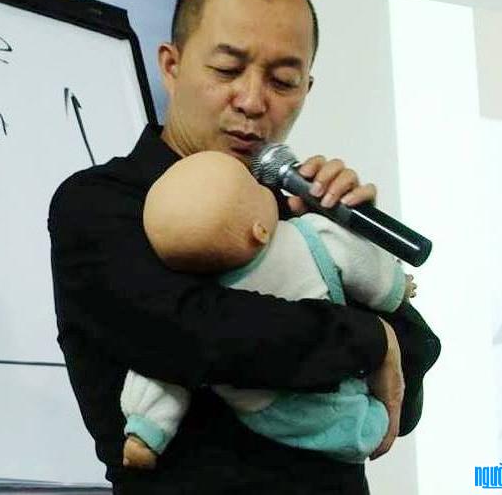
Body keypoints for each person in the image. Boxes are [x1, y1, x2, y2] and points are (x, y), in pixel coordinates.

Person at [48, 0, 440, 495]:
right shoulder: (99, 203)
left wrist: (345, 245)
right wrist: (370, 337)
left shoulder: (297, 215)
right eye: (228, 70)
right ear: (172, 65)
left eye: (284, 80)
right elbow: (196, 334)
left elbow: (406, 390)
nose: (254, 102)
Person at [120, 150, 418, 469]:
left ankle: (145, 435)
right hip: (320, 401)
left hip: (261, 412)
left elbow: (163, 369)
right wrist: (396, 288)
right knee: (353, 420)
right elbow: (362, 267)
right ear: (260, 230)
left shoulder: (198, 295)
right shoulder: (308, 237)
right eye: (255, 187)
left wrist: (145, 428)